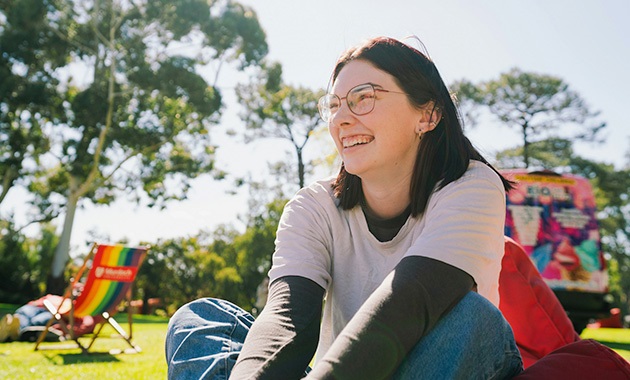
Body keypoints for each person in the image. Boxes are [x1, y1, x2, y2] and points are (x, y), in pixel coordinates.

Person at [165, 36, 524, 379]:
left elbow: (410, 301)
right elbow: (289, 322)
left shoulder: (472, 186)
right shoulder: (313, 207)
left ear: (428, 115)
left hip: (432, 368)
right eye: (334, 105)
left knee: (473, 319)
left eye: (363, 97)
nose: (340, 120)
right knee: (201, 320)